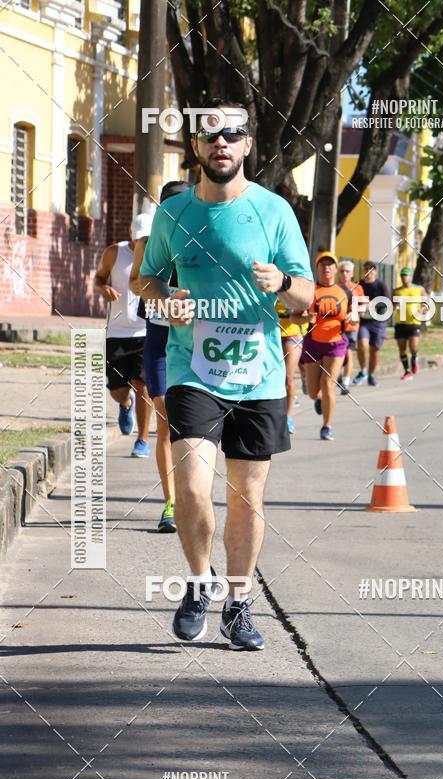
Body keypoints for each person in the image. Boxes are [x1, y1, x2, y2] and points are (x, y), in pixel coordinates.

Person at [139, 98, 314, 650]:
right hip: (193, 368)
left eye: (232, 135)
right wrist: (168, 300)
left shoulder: (275, 211)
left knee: (246, 497)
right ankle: (197, 583)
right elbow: (145, 282)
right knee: (192, 485)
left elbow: (311, 297)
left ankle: (238, 605)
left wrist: (281, 285)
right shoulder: (174, 214)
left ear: (246, 145)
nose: (222, 144)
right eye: (210, 135)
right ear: (195, 146)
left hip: (259, 377)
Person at [129, 180, 190, 532]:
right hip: (159, 335)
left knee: (192, 422)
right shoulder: (149, 242)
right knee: (166, 417)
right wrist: (157, 289)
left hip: (195, 337)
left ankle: (192, 493)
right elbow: (136, 282)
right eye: (169, 206)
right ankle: (171, 503)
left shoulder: (203, 241)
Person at [95, 218, 152, 457]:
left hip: (146, 331)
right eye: (136, 238)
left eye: (144, 239)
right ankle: (124, 404)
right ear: (130, 233)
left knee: (144, 387)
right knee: (118, 390)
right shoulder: (113, 253)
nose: (140, 242)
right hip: (117, 332)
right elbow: (99, 277)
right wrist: (103, 288)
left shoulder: (158, 256)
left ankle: (143, 440)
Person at [300, 252, 355, 441]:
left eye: (330, 264)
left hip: (336, 343)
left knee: (328, 384)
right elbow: (294, 316)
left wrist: (351, 318)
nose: (326, 268)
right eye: (322, 264)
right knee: (314, 392)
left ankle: (327, 426)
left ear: (335, 268)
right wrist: (306, 317)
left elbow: (354, 318)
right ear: (317, 269)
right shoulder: (309, 291)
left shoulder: (345, 292)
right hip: (313, 342)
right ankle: (319, 399)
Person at [353, 261, 390, 387]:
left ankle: (371, 374)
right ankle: (363, 371)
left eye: (371, 270)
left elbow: (386, 302)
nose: (368, 272)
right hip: (363, 322)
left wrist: (369, 305)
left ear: (375, 271)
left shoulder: (381, 286)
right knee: (362, 345)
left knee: (375, 350)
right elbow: (352, 298)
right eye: (366, 270)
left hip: (377, 322)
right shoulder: (359, 285)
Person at [275, 294, 307, 434]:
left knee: (288, 377)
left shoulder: (293, 289)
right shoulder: (266, 289)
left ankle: (288, 417)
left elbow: (304, 309)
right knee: (274, 378)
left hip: (292, 336)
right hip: (272, 336)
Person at [393, 266, 428, 380]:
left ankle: (414, 358)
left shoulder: (419, 289)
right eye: (402, 276)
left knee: (413, 347)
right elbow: (392, 305)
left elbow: (427, 304)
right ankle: (406, 371)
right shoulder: (397, 291)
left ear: (410, 276)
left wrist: (421, 310)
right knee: (402, 349)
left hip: (414, 322)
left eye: (406, 275)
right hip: (400, 323)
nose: (404, 278)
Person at [337, 260, 365, 394]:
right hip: (335, 327)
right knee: (337, 355)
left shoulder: (357, 288)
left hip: (351, 326)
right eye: (342, 271)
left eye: (347, 271)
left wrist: (354, 311)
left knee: (348, 353)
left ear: (352, 273)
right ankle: (339, 375)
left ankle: (345, 383)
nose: (344, 274)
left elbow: (365, 305)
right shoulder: (334, 287)